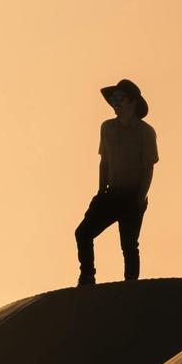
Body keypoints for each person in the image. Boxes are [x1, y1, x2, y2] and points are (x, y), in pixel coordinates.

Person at [75, 78, 159, 286]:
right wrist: (101, 191)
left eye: (120, 98)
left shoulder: (145, 132)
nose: (115, 103)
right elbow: (104, 161)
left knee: (129, 245)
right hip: (111, 193)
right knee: (83, 233)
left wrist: (140, 198)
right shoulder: (107, 128)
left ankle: (130, 286)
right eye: (113, 99)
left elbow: (148, 168)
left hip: (133, 194)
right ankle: (87, 276)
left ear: (132, 102)